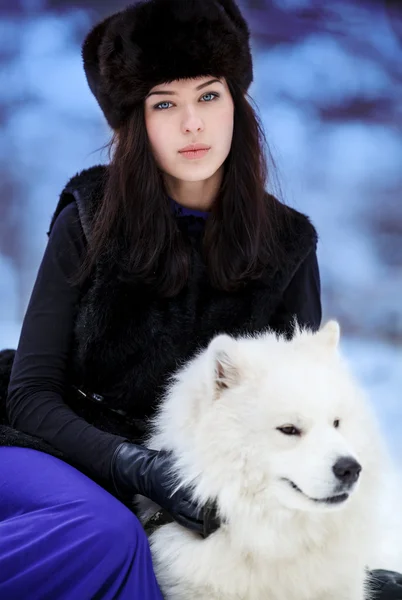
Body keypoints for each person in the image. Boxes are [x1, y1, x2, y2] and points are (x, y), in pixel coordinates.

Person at [0, 0, 400, 598]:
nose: (193, 124)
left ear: (236, 103)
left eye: (209, 96)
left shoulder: (289, 243)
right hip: (45, 448)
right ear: (135, 122)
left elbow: (297, 420)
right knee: (110, 535)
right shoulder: (89, 216)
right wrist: (137, 469)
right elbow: (29, 396)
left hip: (194, 478)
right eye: (166, 103)